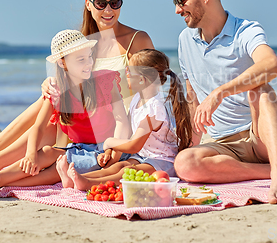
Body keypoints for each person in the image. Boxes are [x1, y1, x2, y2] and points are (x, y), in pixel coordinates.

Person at [0, 0, 153, 182]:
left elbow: (152, 90)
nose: (108, 10)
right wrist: (49, 82)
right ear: (88, 5)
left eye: (115, 2)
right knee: (49, 98)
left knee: (52, 111)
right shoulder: (84, 44)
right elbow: (74, 79)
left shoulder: (136, 39)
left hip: (119, 123)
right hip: (89, 119)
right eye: (101, 3)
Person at [171, 0, 277, 204]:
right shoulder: (184, 40)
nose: (178, 9)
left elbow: (272, 64)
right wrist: (189, 147)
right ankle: (275, 170)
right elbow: (192, 99)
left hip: (261, 135)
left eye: (182, 0)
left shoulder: (245, 30)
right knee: (185, 164)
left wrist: (220, 92)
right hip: (225, 146)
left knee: (260, 89)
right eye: (175, 2)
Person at [0, 29, 132, 196]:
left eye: (89, 57)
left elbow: (121, 121)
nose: (88, 63)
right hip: (80, 149)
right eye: (81, 60)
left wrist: (113, 152)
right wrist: (30, 155)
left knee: (59, 167)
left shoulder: (104, 81)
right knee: (47, 153)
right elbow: (38, 127)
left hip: (110, 149)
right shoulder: (57, 91)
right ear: (62, 63)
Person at [57, 49, 193, 191]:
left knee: (126, 172)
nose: (125, 74)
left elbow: (134, 145)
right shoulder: (137, 99)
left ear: (141, 79)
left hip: (163, 161)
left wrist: (109, 142)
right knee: (118, 166)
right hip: (144, 156)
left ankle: (87, 184)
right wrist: (110, 151)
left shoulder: (153, 108)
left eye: (128, 71)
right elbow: (128, 133)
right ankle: (76, 179)